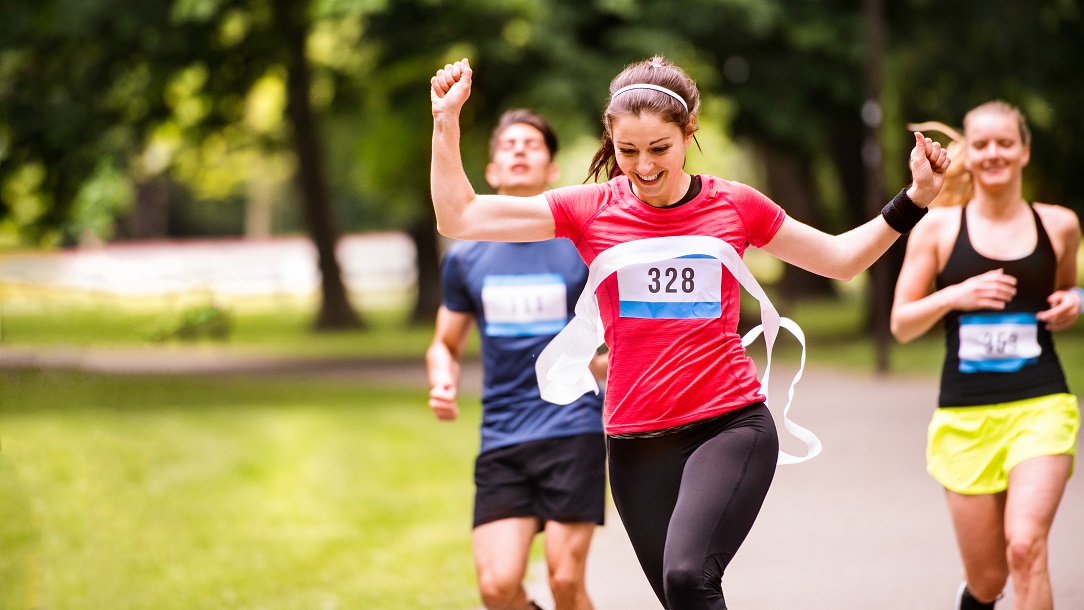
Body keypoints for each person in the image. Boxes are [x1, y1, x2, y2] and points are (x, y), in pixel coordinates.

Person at [430, 55, 949, 609]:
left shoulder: (736, 205)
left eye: (659, 148)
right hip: (634, 442)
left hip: (728, 425)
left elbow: (841, 259)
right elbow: (458, 217)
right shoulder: (590, 210)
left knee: (687, 577)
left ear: (688, 133)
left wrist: (914, 199)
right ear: (610, 138)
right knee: (687, 599)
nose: (644, 166)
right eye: (627, 151)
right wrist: (446, 120)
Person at [890, 101, 1081, 610]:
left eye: (1004, 142)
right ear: (967, 155)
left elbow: (1067, 290)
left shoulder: (1059, 225)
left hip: (1041, 404)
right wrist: (956, 295)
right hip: (965, 416)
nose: (993, 152)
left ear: (1023, 151)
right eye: (981, 144)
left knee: (1026, 547)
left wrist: (1075, 302)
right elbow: (901, 323)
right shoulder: (936, 228)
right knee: (989, 580)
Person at [426, 108, 608, 610]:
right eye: (508, 145)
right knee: (497, 588)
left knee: (565, 581)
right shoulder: (466, 255)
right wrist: (442, 381)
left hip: (573, 429)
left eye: (533, 144)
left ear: (553, 170)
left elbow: (617, 336)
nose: (520, 150)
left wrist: (603, 364)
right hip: (504, 433)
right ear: (490, 173)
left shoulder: (582, 247)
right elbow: (445, 343)